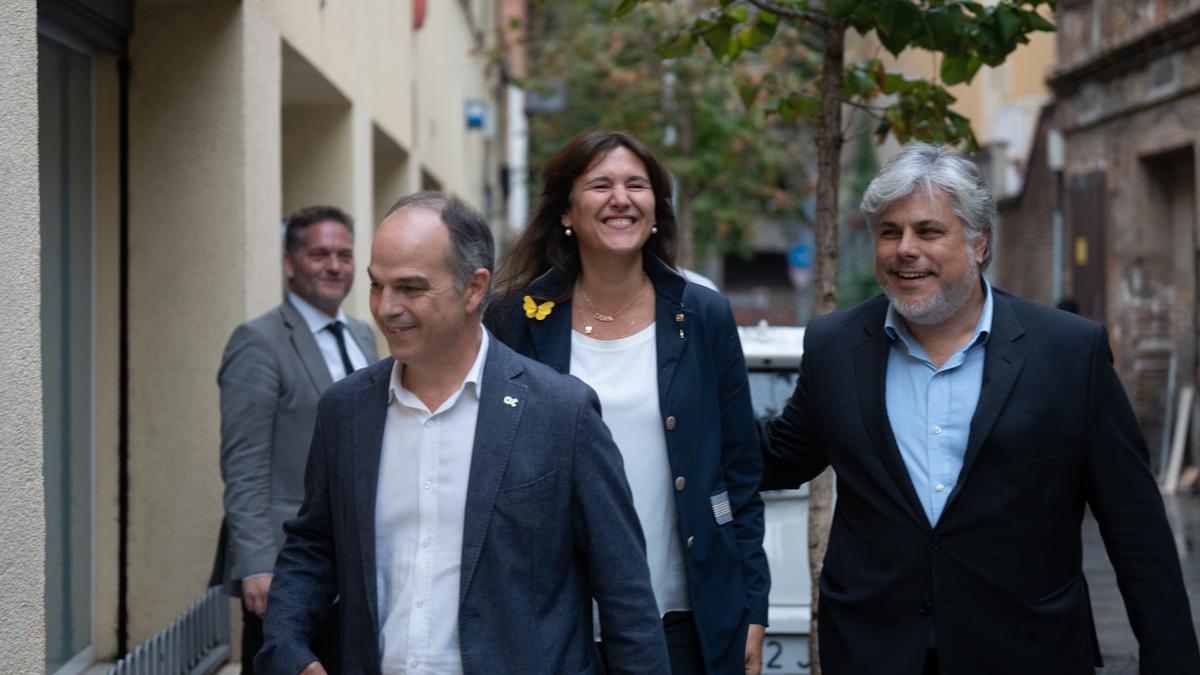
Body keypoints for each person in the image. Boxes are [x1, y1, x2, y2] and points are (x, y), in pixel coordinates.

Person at [762, 142, 1200, 675]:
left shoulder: (1067, 352)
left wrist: (1171, 658)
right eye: (889, 232)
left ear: (978, 243)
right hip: (874, 650)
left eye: (928, 231)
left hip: (1027, 650)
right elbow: (781, 456)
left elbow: (1135, 526)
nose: (905, 249)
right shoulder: (835, 346)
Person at [256, 192, 670, 675]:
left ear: (474, 289)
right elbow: (314, 547)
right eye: (377, 286)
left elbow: (625, 596)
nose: (387, 308)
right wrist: (288, 649)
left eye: (410, 288)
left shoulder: (561, 413)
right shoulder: (346, 410)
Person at [487, 130, 769, 675]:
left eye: (636, 185)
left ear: (656, 210)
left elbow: (739, 472)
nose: (621, 198)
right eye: (600, 184)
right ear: (566, 212)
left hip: (683, 620)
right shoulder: (516, 320)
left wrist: (753, 602)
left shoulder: (703, 316)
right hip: (554, 623)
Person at [213, 205, 378, 673]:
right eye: (319, 254)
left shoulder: (364, 335)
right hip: (286, 565)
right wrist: (257, 565)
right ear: (290, 263)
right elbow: (243, 465)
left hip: (351, 558)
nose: (333, 266)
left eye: (345, 255)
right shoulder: (258, 342)